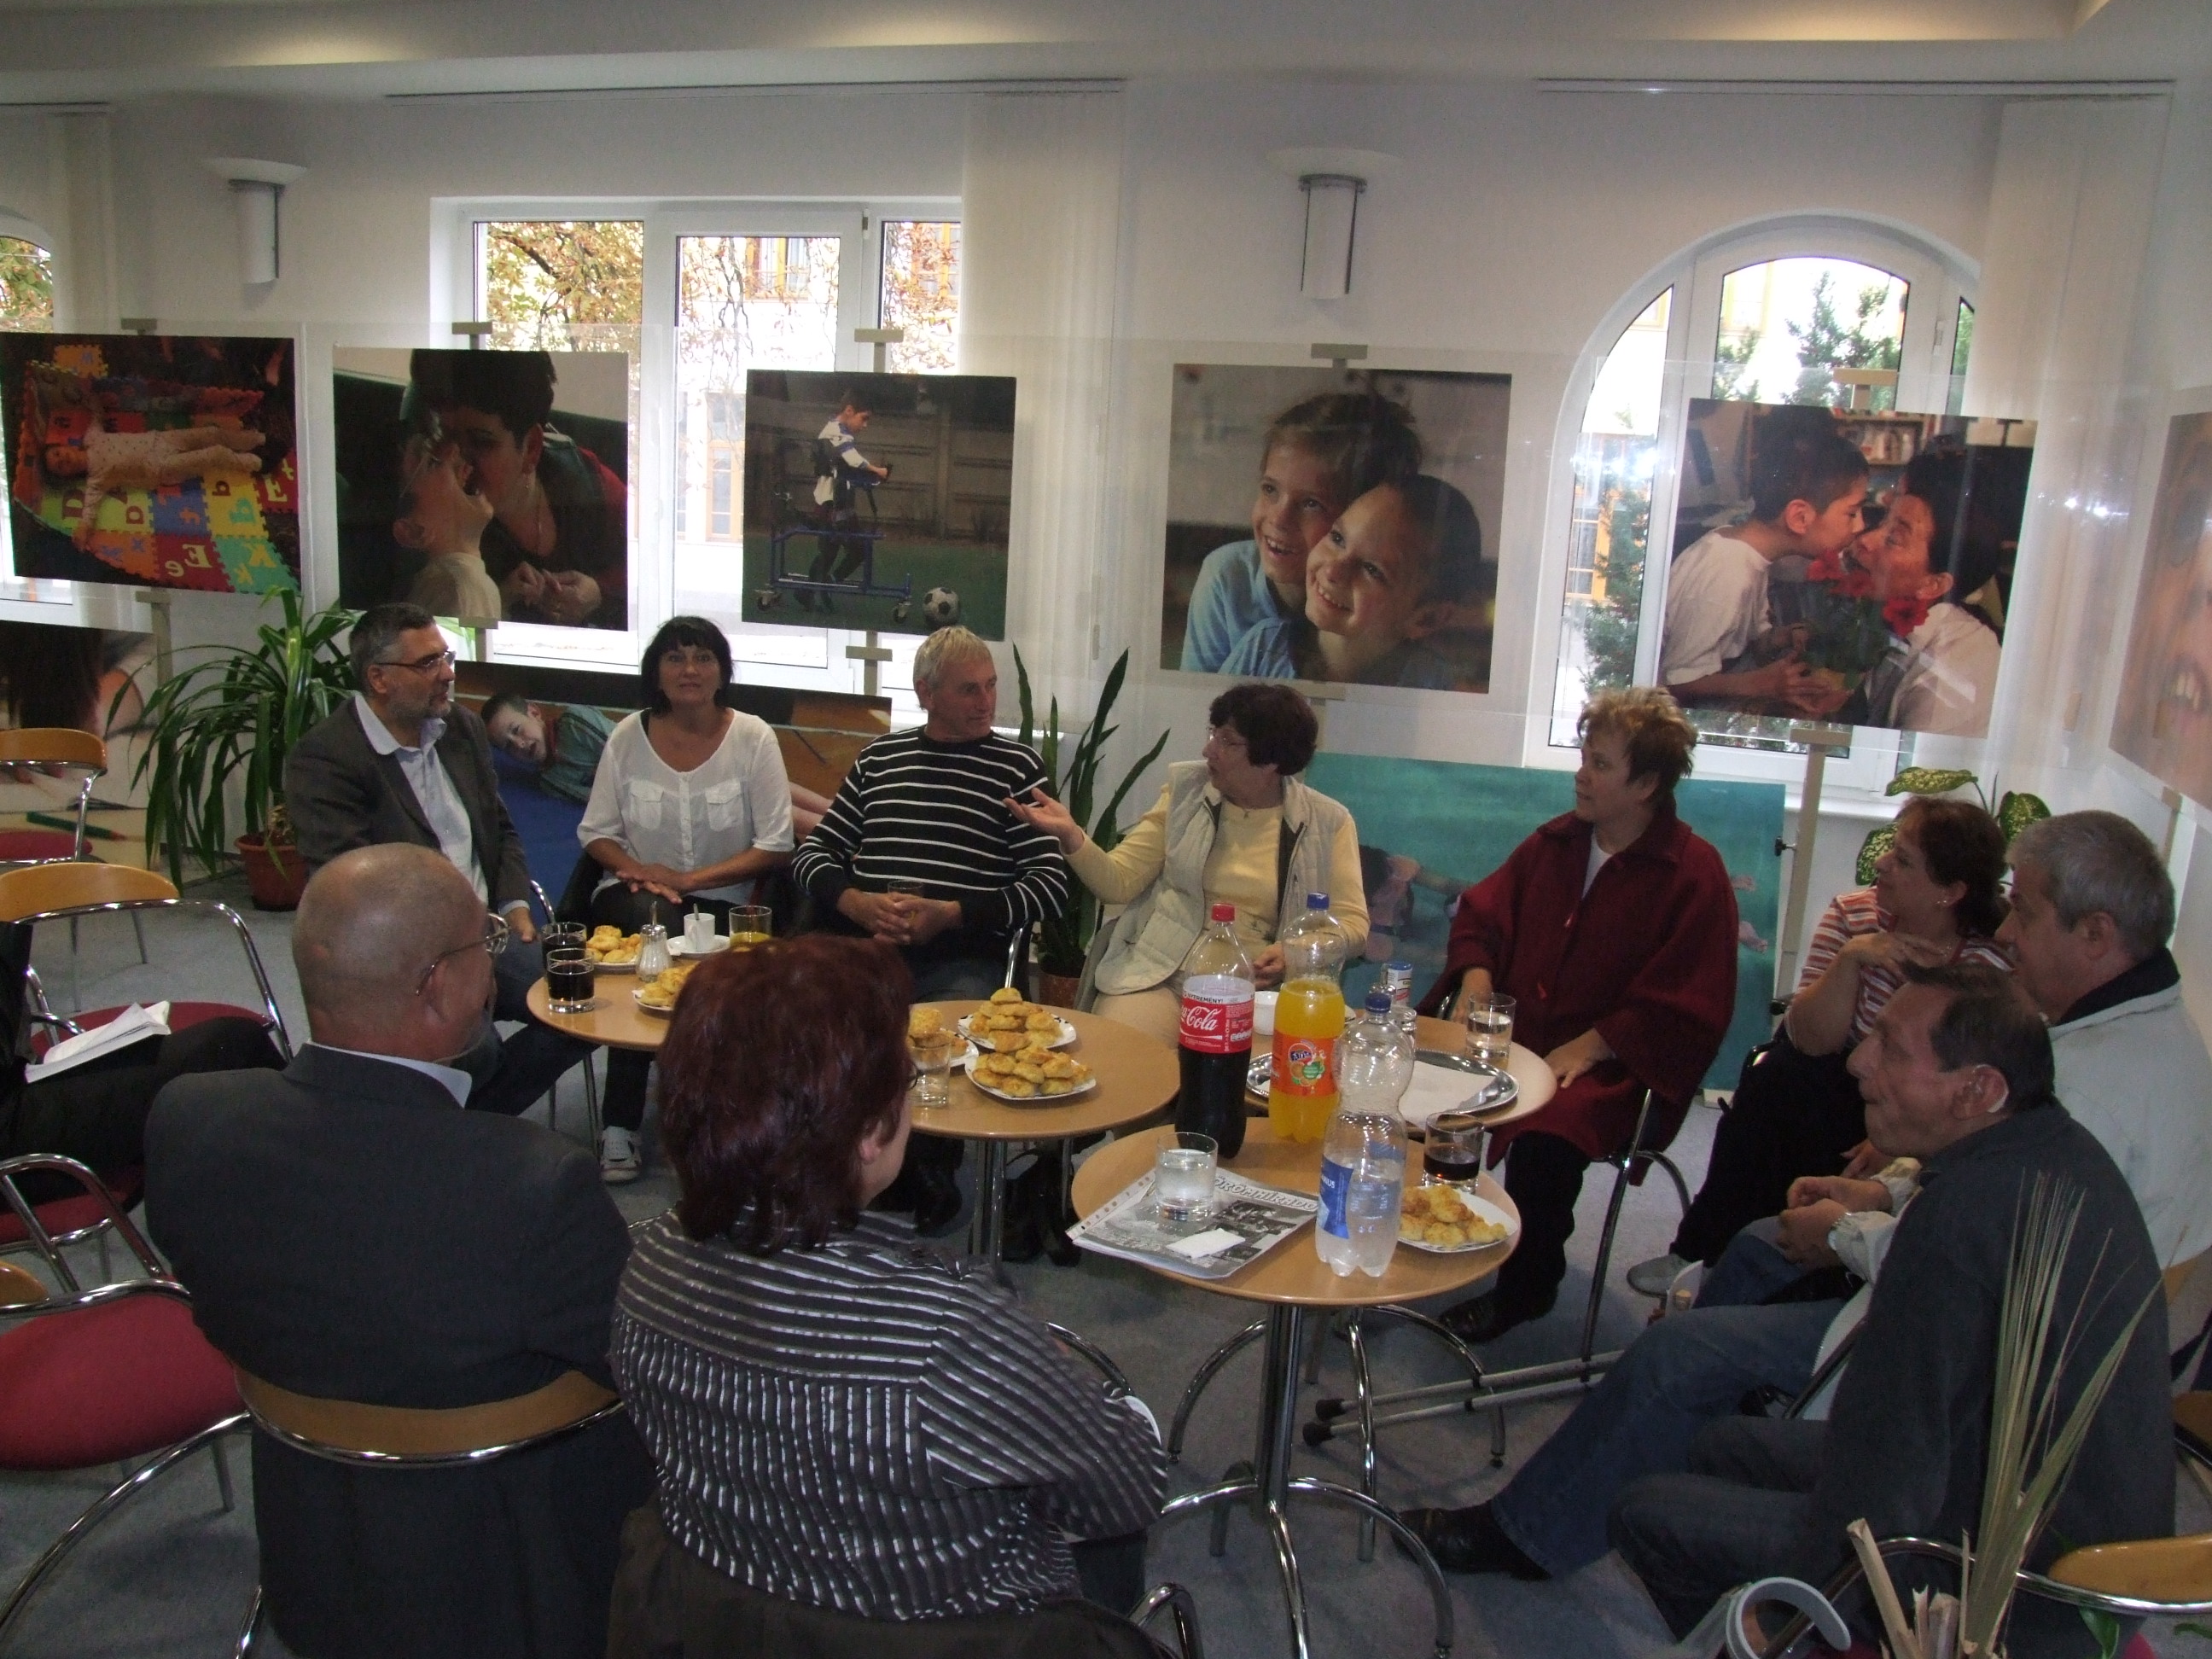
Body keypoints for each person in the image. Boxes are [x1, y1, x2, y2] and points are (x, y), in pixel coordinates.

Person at [1404, 815, 2210, 1597]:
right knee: (1757, 1242)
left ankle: (1539, 1525)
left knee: (1677, 1360)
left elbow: (1969, 1267)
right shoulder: (2125, 1045)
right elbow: (1988, 1198)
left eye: (2025, 912)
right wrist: (1882, 1191)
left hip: (1985, 1419)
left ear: (2096, 934)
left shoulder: (2094, 1093)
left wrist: (1851, 1230)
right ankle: (1674, 1423)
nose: (2006, 932)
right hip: (1979, 1342)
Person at [143, 846, 655, 1659]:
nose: (494, 969)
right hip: (517, 1559)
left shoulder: (187, 1119)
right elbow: (639, 1365)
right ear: (438, 987)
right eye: (486, 945)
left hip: (312, 1541)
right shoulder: (533, 1183)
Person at [606, 933, 1166, 1649]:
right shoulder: (945, 1333)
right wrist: (1093, 1399)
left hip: (718, 1610)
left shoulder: (650, 1260)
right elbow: (1126, 1490)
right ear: (872, 1131)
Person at [1605, 965, 2171, 1656]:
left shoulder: (1955, 1223)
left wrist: (1791, 1613)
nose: (1859, 1062)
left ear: (1978, 1090)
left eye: (1892, 1049)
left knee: (1646, 1514)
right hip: (2061, 1529)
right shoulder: (2058, 1152)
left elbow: (1894, 1478)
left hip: (2016, 1583)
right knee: (1721, 1444)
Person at [1417, 687, 1738, 1345]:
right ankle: (1428, 1236)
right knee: (1416, 1092)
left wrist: (1595, 1046)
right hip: (1517, 1041)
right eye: (1584, 757)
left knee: (1548, 1133)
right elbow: (1483, 914)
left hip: (1616, 1069)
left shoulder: (1694, 873)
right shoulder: (1555, 843)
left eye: (1600, 764)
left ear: (1646, 784)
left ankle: (1527, 1288)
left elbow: (1690, 1003)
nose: (1581, 775)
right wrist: (1476, 977)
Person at [1629, 795, 2011, 1292]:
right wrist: (1852, 959)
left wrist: (1896, 1136)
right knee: (1778, 1080)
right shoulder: (1854, 914)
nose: (1882, 864)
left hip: (1926, 1100)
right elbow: (1810, 1038)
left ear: (1950, 892)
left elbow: (1974, 1082)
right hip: (1832, 1075)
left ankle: (1780, 1271)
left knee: (1813, 1115)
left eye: (1903, 860)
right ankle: (1705, 1251)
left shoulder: (1990, 965)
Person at [790, 626, 1069, 1231]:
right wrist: (856, 902)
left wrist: (954, 913)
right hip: (866, 943)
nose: (986, 702)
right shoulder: (880, 760)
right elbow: (812, 856)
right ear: (926, 693)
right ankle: (825, 1156)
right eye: (969, 689)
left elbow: (1051, 885)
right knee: (808, 1010)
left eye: (991, 686)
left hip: (961, 951)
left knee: (938, 1029)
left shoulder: (1016, 769)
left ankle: (926, 1168)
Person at [286, 602, 593, 1118]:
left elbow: (500, 831)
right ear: (379, 679)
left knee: (587, 999)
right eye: (428, 664)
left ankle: (470, 1128)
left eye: (446, 658)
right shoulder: (328, 758)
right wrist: (458, 955)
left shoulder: (461, 729)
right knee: (475, 1053)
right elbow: (350, 894)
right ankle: (465, 1132)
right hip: (407, 957)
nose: (448, 674)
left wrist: (515, 905)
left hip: (490, 930)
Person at [1008, 681, 1367, 1045]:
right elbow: (1119, 882)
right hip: (1162, 975)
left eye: (1227, 741)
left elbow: (1353, 925)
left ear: (1270, 759)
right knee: (1120, 1052)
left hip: (1254, 992)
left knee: (1258, 1073)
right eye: (1213, 733)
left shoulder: (1328, 821)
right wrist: (1072, 835)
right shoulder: (1186, 793)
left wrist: (1295, 952)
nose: (1208, 750)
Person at [574, 617, 796, 1183]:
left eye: (702, 658)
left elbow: (776, 843)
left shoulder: (753, 737)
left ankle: (704, 1121)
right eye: (675, 658)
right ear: (656, 673)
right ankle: (621, 1124)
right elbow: (596, 832)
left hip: (726, 899)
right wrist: (641, 872)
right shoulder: (627, 737)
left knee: (692, 947)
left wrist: (690, 879)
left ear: (722, 672)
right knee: (653, 934)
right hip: (635, 894)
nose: (689, 670)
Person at [1179, 392, 1424, 674]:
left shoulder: (1378, 611)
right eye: (1270, 489)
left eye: (1312, 504)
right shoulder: (1226, 577)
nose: (1279, 519)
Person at [1660, 415, 1868, 713]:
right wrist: (1760, 684)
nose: (1860, 526)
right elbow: (1673, 686)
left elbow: (1744, 641)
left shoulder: (1751, 555)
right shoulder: (1728, 570)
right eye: (1852, 513)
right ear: (1800, 517)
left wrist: (1779, 638)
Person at [407, 349, 627, 630]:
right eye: (445, 437)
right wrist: (493, 603)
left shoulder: (589, 480)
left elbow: (651, 564)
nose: (456, 458)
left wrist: (599, 591)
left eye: (481, 442)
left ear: (532, 447)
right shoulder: (432, 526)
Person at [1220, 474, 1486, 689]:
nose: (1333, 571)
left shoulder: (1428, 682)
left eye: (1372, 570)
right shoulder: (1263, 650)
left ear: (1427, 619)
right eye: (1337, 538)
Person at [1855, 447, 2007, 737]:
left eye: (1893, 538)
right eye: (1883, 521)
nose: (1866, 540)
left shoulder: (1957, 664)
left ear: (1933, 585)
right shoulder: (1873, 615)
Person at [394, 429, 504, 621]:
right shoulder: (458, 587)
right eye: (433, 463)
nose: (465, 465)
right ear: (413, 531)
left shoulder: (457, 585)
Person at [801, 390, 890, 608]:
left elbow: (846, 467)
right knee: (850, 550)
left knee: (833, 551)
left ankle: (813, 589)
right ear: (849, 411)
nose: (865, 425)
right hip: (831, 504)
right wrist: (878, 470)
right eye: (863, 418)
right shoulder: (836, 432)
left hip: (836, 503)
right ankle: (818, 588)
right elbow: (853, 460)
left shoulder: (836, 431)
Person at [481, 690, 616, 806]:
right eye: (508, 745)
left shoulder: (574, 724)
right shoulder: (550, 781)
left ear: (534, 713)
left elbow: (625, 750)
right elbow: (601, 801)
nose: (519, 744)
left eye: (516, 729)